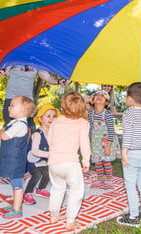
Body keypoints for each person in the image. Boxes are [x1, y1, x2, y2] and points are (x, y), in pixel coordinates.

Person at [47, 91, 91, 231]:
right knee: (76, 191)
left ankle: (54, 215)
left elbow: (49, 139)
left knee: (57, 189)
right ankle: (70, 221)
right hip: (71, 163)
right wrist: (86, 161)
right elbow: (84, 144)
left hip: (53, 162)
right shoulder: (83, 123)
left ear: (63, 106)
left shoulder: (56, 120)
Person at [116, 82, 141, 228]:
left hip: (132, 153)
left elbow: (128, 134)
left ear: (130, 99)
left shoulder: (129, 113)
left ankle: (133, 217)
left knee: (131, 185)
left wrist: (124, 151)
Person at [0, 96, 36, 219]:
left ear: (22, 109)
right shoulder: (14, 123)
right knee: (14, 183)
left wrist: (1, 132)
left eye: (12, 105)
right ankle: (15, 204)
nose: (9, 107)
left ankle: (17, 209)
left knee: (17, 184)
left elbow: (5, 136)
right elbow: (4, 138)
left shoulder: (21, 125)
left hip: (15, 161)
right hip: (10, 158)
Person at [0, 65, 67, 126]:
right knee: (9, 127)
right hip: (12, 100)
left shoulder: (35, 61)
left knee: (29, 128)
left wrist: (58, 81)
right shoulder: (15, 58)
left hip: (28, 102)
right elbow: (7, 68)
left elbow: (47, 76)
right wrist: (4, 71)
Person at [23, 104, 61, 205]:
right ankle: (27, 193)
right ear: (40, 119)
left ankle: (41, 189)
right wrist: (50, 154)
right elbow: (35, 151)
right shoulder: (37, 134)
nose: (51, 118)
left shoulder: (52, 133)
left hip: (44, 161)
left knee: (49, 172)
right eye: (48, 116)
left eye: (54, 116)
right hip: (33, 161)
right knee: (37, 174)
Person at [88, 90, 121, 189]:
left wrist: (108, 146)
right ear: (92, 101)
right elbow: (91, 128)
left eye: (102, 96)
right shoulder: (91, 114)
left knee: (106, 161)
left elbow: (111, 131)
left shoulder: (107, 114)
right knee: (98, 161)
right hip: (95, 142)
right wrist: (90, 141)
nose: (99, 96)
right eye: (97, 95)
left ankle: (109, 180)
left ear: (106, 102)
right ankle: (100, 180)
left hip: (106, 142)